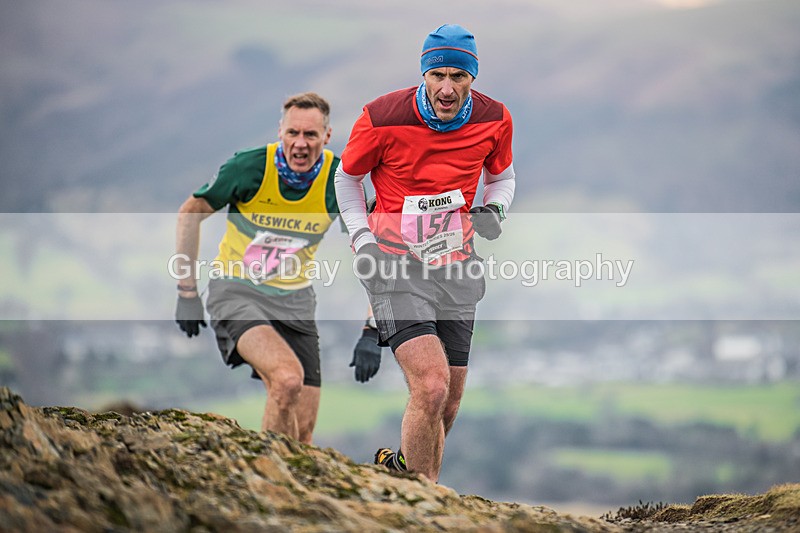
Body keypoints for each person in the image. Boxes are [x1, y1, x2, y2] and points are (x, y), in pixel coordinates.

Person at [334, 24, 515, 481]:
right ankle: (424, 499)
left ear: (473, 78)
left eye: (459, 76)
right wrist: (363, 240)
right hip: (394, 263)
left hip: (456, 264)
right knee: (431, 386)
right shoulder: (381, 117)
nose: (448, 87)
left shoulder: (495, 118)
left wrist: (495, 208)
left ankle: (401, 468)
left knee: (448, 400)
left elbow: (503, 177)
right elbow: (346, 179)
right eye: (438, 75)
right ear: (424, 74)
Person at [173, 92, 381, 445]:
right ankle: (262, 482)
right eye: (293, 133)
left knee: (304, 432)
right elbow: (189, 213)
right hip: (237, 291)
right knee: (286, 380)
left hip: (296, 302)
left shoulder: (339, 180)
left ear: (327, 137)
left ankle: (288, 488)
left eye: (311, 135)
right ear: (280, 131)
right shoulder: (249, 167)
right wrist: (187, 292)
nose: (300, 144)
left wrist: (372, 329)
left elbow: (376, 250)